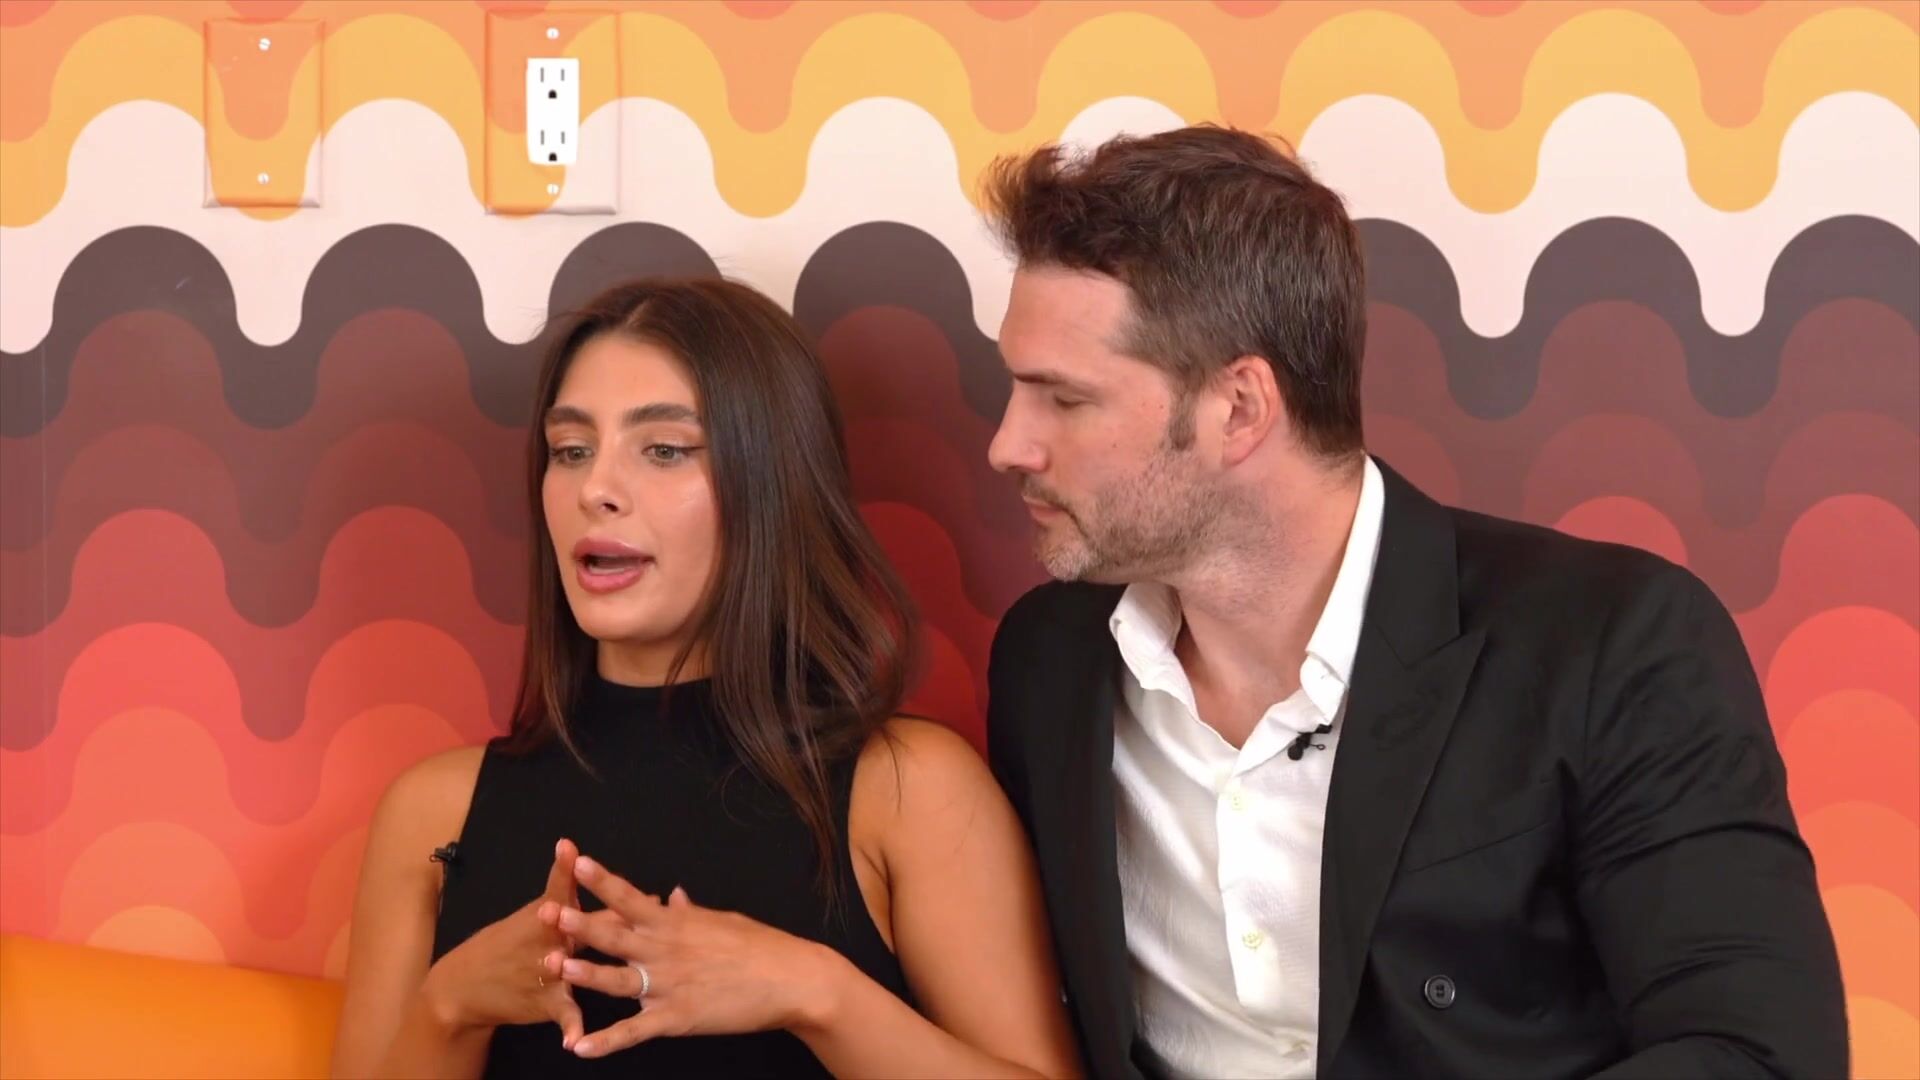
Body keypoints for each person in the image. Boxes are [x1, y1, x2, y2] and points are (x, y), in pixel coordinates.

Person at [978, 125, 1849, 1079]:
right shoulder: (1047, 662)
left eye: (1064, 400)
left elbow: (1761, 1056)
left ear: (1239, 409)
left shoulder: (1615, 643)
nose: (1008, 445)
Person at [331, 278, 1080, 1078]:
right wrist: (450, 1005)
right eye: (571, 450)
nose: (595, 490)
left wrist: (816, 992)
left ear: (772, 483)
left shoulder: (909, 789)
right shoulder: (431, 812)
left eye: (664, 450)